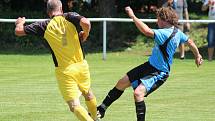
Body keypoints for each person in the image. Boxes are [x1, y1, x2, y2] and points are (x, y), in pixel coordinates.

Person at [97, 6, 203, 121]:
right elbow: (190, 42)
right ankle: (101, 109)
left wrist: (132, 16)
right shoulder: (177, 32)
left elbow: (146, 31)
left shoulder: (165, 33)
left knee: (138, 93)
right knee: (122, 82)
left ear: (164, 20)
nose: (157, 22)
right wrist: (197, 55)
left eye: (158, 19)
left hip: (159, 72)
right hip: (149, 66)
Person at [15, 0, 99, 121]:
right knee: (88, 93)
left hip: (65, 70)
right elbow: (86, 22)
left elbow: (18, 31)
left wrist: (20, 23)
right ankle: (96, 118)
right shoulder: (70, 16)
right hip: (82, 65)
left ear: (48, 12)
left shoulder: (43, 25)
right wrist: (85, 34)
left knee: (74, 105)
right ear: (61, 9)